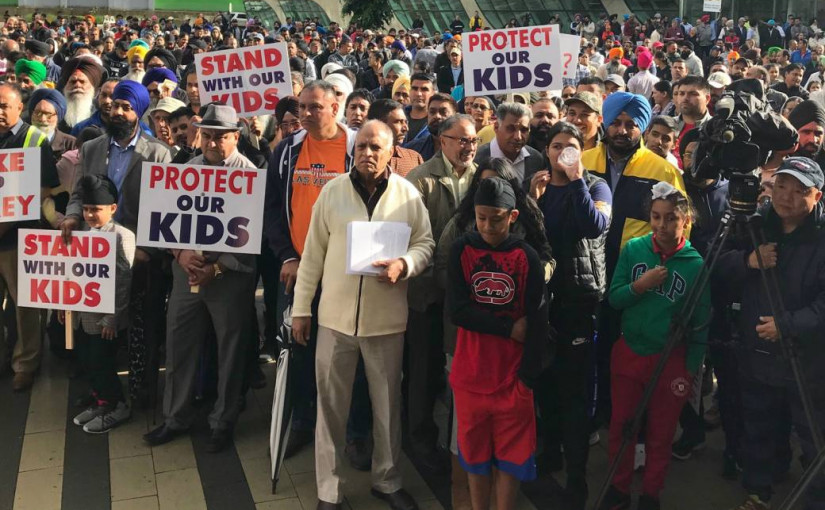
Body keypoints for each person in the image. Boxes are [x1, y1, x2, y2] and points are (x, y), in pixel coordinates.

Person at [291, 120, 434, 510]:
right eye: (362, 147)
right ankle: (329, 491)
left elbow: (426, 243)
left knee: (387, 407)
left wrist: (405, 264)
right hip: (334, 321)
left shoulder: (407, 195)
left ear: (391, 152)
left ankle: (387, 481)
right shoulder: (333, 191)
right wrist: (301, 309)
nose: (367, 153)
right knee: (330, 409)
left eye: (376, 148)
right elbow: (312, 256)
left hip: (386, 322)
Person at [718, 158, 825, 510]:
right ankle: (758, 491)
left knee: (813, 436)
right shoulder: (753, 224)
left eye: (799, 190)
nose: (786, 196)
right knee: (758, 427)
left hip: (807, 359)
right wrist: (747, 261)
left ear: (817, 196)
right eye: (781, 186)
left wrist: (787, 324)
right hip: (757, 353)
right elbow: (713, 262)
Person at [600, 182, 709, 510]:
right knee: (622, 426)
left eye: (671, 218)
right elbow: (615, 298)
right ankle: (618, 488)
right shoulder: (634, 249)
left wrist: (691, 368)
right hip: (630, 351)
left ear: (686, 221)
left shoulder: (695, 264)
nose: (662, 225)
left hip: (670, 359)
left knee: (661, 434)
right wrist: (640, 286)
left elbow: (702, 321)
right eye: (656, 217)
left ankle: (651, 494)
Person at [265, 80, 358, 459]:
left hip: (346, 275)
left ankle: (355, 431)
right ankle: (303, 422)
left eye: (314, 107)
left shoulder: (357, 148)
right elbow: (272, 210)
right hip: (299, 272)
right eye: (302, 106)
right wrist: (287, 256)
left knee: (348, 353)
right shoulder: (286, 151)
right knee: (299, 349)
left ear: (335, 108)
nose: (305, 114)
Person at [581, 91, 686, 431]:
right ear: (605, 123)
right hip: (586, 270)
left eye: (631, 124)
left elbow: (681, 226)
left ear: (642, 128)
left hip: (633, 277)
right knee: (588, 348)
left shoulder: (662, 170)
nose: (622, 130)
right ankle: (595, 412)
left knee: (623, 349)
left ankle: (623, 417)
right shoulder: (582, 162)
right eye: (616, 122)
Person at [447, 176, 551, 510]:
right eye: (481, 218)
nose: (488, 226)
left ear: (512, 217)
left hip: (512, 378)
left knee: (511, 458)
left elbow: (538, 322)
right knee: (475, 456)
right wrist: (507, 328)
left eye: (496, 219)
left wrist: (527, 379)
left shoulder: (526, 257)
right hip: (471, 375)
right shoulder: (461, 250)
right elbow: (457, 311)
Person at [529, 121, 611, 509]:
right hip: (543, 303)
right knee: (545, 385)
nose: (562, 151)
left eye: (571, 146)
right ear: (546, 151)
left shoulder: (595, 186)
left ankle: (577, 476)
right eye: (556, 145)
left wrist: (577, 180)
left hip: (578, 302)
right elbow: (526, 240)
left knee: (575, 393)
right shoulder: (538, 186)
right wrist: (532, 201)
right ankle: (551, 452)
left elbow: (594, 226)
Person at [404, 114, 478, 471]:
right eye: (462, 140)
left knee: (460, 372)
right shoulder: (419, 180)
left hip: (467, 297)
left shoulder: (482, 177)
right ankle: (419, 441)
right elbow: (411, 237)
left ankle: (458, 443)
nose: (469, 147)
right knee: (423, 370)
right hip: (427, 294)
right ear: (442, 140)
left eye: (474, 140)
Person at [0, 83, 60, 392]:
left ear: (19, 108)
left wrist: (6, 222)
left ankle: (25, 364)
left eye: (3, 106)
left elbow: (45, 189)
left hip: (18, 237)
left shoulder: (34, 139)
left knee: (25, 305)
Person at [63, 175, 135, 433]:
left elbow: (124, 281)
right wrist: (65, 306)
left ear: (113, 208)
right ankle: (100, 400)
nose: (90, 215)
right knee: (86, 360)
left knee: (101, 362)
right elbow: (70, 272)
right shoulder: (81, 232)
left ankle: (117, 405)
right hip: (81, 315)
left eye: (95, 209)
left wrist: (112, 318)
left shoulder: (122, 236)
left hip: (105, 319)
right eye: (86, 209)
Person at [474, 102, 544, 186]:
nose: (518, 137)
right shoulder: (476, 159)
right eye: (511, 129)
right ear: (496, 127)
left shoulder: (536, 159)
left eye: (524, 130)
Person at [367, 99, 423, 176]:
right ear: (380, 124)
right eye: (399, 122)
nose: (406, 128)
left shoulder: (414, 159)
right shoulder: (364, 158)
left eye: (406, 122)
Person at [403, 93, 457, 161]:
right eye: (432, 112)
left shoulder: (465, 147)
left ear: (455, 115)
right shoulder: (412, 150)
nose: (437, 116)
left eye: (443, 112)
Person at [28, 88, 76, 161]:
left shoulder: (71, 144)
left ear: (58, 116)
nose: (42, 119)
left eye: (48, 114)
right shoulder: (19, 140)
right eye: (37, 113)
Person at [405, 73, 434, 142]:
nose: (418, 94)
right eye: (414, 88)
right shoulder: (398, 117)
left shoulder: (436, 122)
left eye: (424, 89)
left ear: (433, 93)